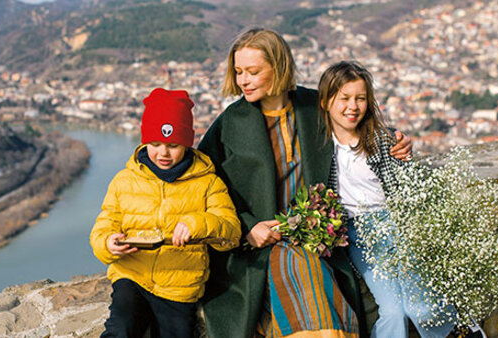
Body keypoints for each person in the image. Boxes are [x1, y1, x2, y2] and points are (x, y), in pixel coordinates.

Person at [199, 28, 413, 338]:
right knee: (300, 273)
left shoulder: (315, 106)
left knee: (307, 269)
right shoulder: (230, 123)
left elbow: (358, 124)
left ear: (279, 66)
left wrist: (396, 141)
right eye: (239, 71)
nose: (243, 80)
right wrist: (247, 227)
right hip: (259, 242)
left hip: (314, 234)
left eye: (253, 71)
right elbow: (204, 183)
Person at [317, 61, 455, 338]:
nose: (352, 107)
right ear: (326, 101)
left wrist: (403, 148)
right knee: (392, 311)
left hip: (394, 225)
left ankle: (459, 330)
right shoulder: (319, 147)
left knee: (419, 306)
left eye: (360, 98)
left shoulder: (382, 140)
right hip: (357, 235)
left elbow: (406, 184)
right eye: (344, 98)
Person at [90, 88, 241, 338]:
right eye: (155, 144)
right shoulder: (124, 181)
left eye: (173, 145)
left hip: (180, 285)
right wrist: (107, 244)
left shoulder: (208, 183)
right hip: (132, 276)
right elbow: (104, 225)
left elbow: (231, 231)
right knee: (120, 329)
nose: (163, 153)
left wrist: (198, 224)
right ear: (144, 141)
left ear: (187, 143)